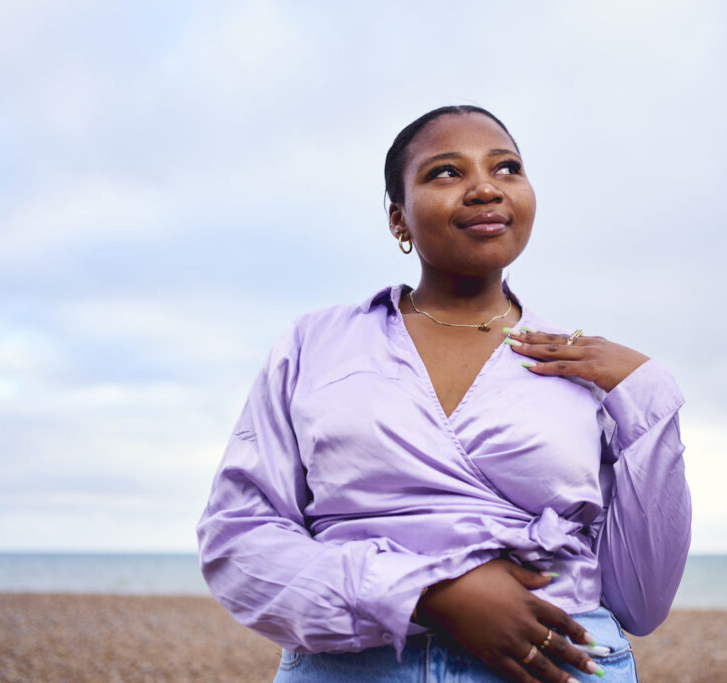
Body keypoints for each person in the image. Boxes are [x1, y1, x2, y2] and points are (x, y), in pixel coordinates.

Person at [197, 105, 691, 682]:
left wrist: (651, 397)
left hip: (562, 660)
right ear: (398, 219)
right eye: (446, 173)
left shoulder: (592, 370)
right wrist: (427, 595)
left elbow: (642, 601)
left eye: (506, 168)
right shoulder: (316, 343)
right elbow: (238, 537)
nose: (485, 187)